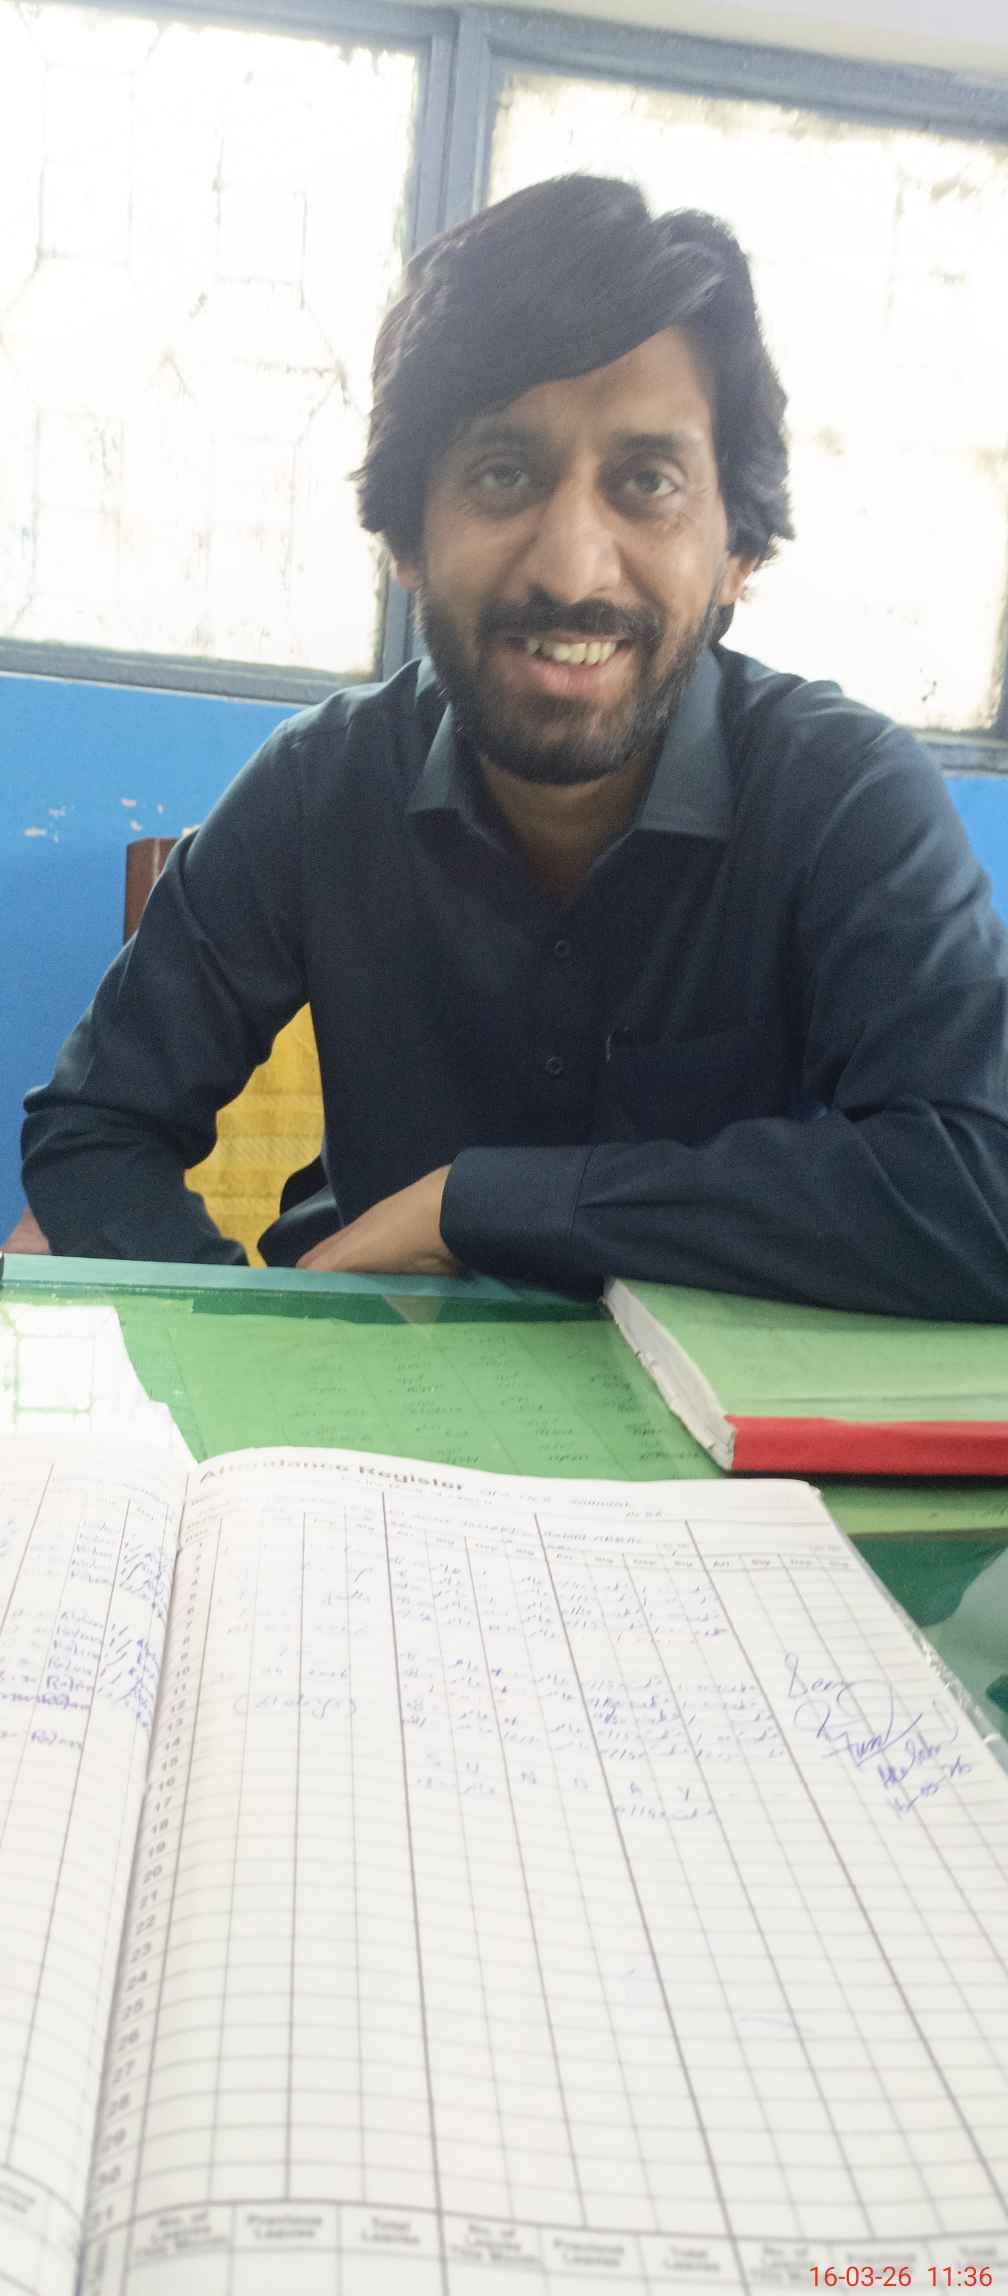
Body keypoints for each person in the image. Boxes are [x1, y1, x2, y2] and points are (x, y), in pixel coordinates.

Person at [21, 174, 1008, 1315]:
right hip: (370, 1371)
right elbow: (94, 1129)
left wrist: (476, 1206)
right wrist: (249, 1342)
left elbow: (980, 1186)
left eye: (647, 482)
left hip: (712, 1406)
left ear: (737, 551)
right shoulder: (316, 786)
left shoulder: (844, 796)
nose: (571, 567)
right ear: (407, 539)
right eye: (502, 474)